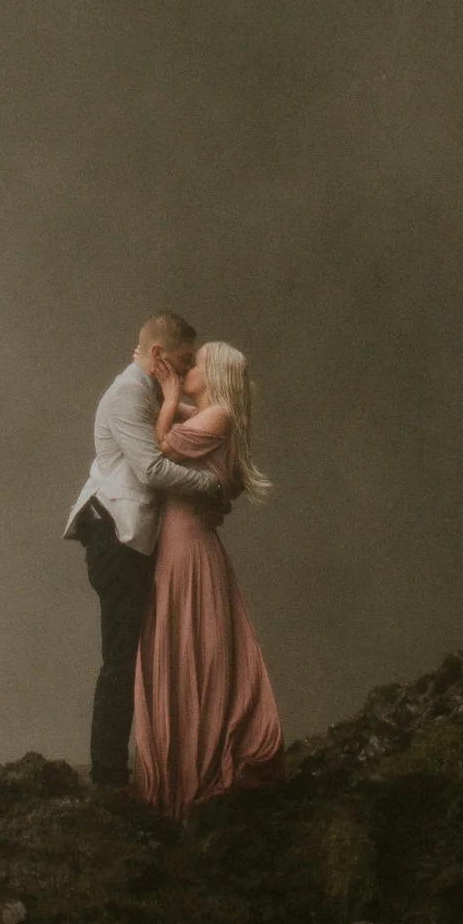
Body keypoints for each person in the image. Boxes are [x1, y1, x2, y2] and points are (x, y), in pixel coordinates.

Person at [65, 311, 229, 788]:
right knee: (121, 656)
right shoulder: (125, 396)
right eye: (183, 361)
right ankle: (109, 774)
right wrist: (213, 486)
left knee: (134, 652)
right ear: (159, 355)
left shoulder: (148, 391)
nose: (187, 367)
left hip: (126, 535)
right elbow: (153, 470)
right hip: (114, 535)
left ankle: (135, 764)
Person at [131, 337, 282, 819]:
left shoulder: (217, 417)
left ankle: (190, 776)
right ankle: (185, 773)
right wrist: (160, 379)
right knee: (185, 649)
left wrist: (170, 398)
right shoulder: (213, 414)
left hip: (187, 549)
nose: (187, 367)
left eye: (195, 363)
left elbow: (159, 447)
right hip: (183, 547)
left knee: (187, 649)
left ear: (214, 373)